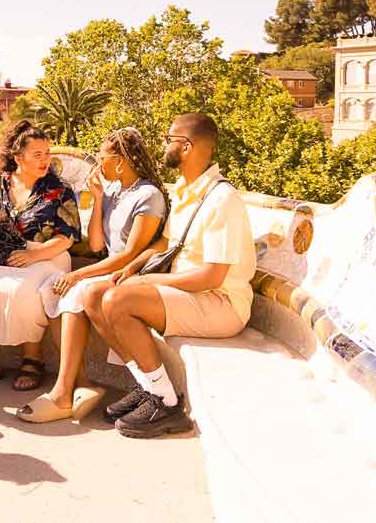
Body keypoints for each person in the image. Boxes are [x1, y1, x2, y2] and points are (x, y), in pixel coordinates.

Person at [85, 114, 255, 438]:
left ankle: (165, 403)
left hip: (221, 304)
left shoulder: (222, 199)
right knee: (94, 295)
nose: (163, 146)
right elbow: (166, 243)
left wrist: (148, 280)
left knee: (119, 300)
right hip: (189, 294)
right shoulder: (185, 189)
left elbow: (211, 277)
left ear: (186, 147)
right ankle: (149, 385)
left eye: (169, 140)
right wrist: (132, 267)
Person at [17, 126, 167, 422]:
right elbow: (98, 245)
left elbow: (130, 255)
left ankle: (62, 394)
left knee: (73, 290)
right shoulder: (113, 191)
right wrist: (98, 198)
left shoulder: (149, 195)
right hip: (110, 267)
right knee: (51, 288)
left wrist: (77, 275)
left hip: (133, 273)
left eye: (103, 157)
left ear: (120, 161)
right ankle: (82, 383)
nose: (98, 164)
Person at [0, 121, 80, 392]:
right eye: (37, 154)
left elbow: (67, 236)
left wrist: (35, 255)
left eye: (47, 153)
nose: (45, 160)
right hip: (3, 256)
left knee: (24, 289)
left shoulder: (59, 189)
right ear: (18, 157)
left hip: (48, 255)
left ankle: (33, 360)